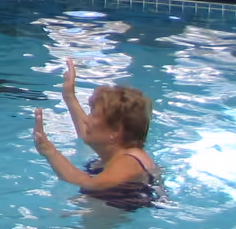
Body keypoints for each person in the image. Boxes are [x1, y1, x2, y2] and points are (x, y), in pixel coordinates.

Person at [33, 60, 160, 197]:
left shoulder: (129, 162)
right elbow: (86, 134)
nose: (86, 120)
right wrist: (69, 96)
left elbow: (90, 183)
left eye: (93, 115)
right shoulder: (118, 150)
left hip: (117, 211)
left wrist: (49, 151)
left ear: (115, 131)